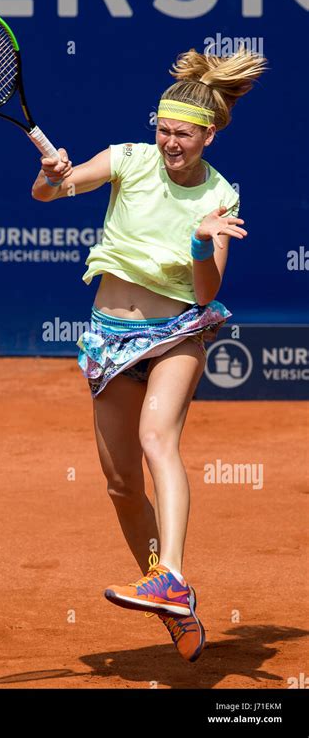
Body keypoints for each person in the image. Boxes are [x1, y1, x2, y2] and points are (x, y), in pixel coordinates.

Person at [31, 45, 268, 662]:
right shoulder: (127, 159)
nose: (170, 143)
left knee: (156, 437)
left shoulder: (220, 197)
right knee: (118, 483)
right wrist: (54, 174)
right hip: (109, 333)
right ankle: (171, 595)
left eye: (183, 135)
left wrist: (199, 238)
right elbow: (48, 194)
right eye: (163, 130)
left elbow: (207, 287)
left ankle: (173, 575)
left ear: (209, 135)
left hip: (177, 331)